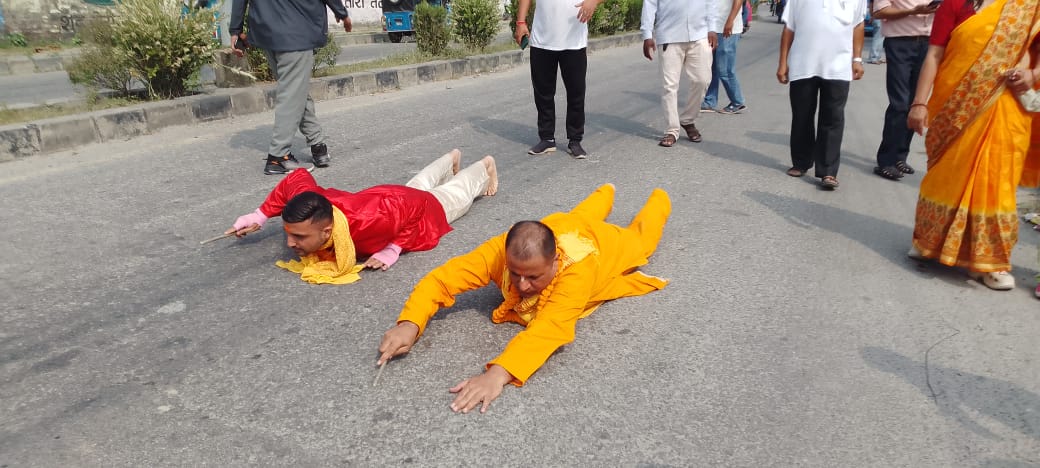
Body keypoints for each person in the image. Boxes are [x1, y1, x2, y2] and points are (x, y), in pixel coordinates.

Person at [377, 184, 671, 413]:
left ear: (555, 261)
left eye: (533, 277)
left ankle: (661, 197)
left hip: (600, 243)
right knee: (576, 216)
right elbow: (442, 278)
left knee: (641, 243)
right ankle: (605, 192)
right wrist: (410, 323)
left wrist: (498, 375)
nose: (521, 284)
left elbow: (551, 328)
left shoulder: (576, 269)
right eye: (515, 273)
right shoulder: (500, 251)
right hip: (562, 224)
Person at [906, 0, 1040, 290]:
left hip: (1007, 107)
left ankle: (991, 262)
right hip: (954, 105)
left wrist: (1031, 74)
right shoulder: (955, 3)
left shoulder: (1030, 7)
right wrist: (919, 103)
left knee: (998, 179)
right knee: (948, 174)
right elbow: (934, 54)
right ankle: (928, 241)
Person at [226, 150, 500, 284]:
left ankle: (484, 166)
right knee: (414, 186)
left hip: (418, 208)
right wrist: (259, 215)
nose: (290, 244)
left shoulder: (372, 220)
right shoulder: (314, 203)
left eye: (298, 236)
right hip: (391, 198)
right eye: (289, 233)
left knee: (456, 195)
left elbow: (413, 209)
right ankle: (450, 157)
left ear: (327, 231)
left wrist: (393, 248)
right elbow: (296, 178)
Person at [229, 0, 352, 175]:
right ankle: (278, 157)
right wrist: (342, 13)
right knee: (292, 93)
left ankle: (317, 145)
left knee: (295, 89)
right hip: (296, 29)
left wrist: (235, 30)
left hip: (267, 31)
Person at [776, 0, 867, 190]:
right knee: (802, 115)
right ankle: (801, 163)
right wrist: (783, 62)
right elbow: (789, 28)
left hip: (838, 66)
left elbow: (858, 25)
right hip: (803, 64)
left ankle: (828, 170)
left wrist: (857, 59)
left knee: (833, 118)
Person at [514, 0, 600, 159]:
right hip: (542, 40)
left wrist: (593, 2)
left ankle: (575, 140)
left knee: (576, 93)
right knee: (542, 93)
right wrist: (520, 22)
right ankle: (547, 139)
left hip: (574, 42)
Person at [870, 0, 939, 181]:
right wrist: (913, 11)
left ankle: (900, 156)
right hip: (900, 42)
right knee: (899, 103)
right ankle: (886, 161)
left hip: (930, 44)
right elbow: (879, 12)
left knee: (915, 103)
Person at [640, 0, 718, 147]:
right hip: (669, 35)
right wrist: (647, 35)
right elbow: (649, 4)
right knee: (669, 86)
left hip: (700, 34)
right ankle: (672, 130)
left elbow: (711, 3)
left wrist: (712, 28)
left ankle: (688, 119)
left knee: (702, 80)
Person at [702, 0, 749, 115]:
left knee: (725, 69)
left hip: (728, 28)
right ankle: (709, 101)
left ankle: (738, 102)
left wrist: (730, 21)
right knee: (713, 67)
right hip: (714, 28)